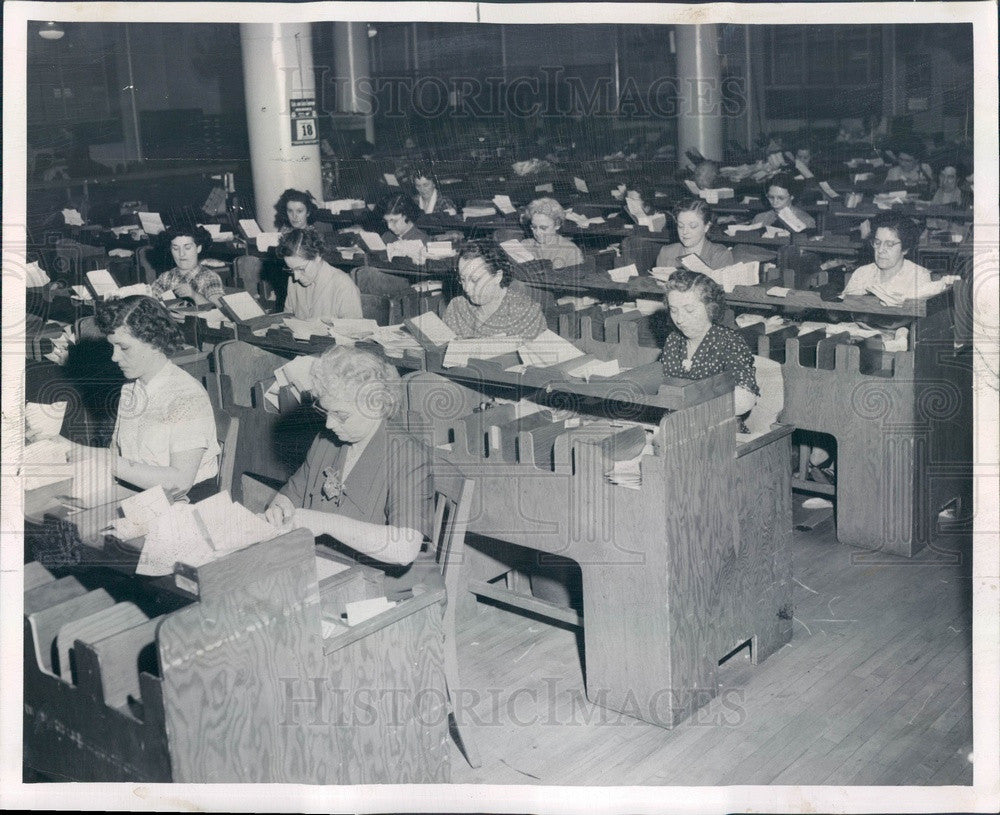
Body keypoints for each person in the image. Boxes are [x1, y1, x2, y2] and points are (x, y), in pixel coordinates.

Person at [264, 346, 434, 587]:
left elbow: (403, 549)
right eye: (326, 411)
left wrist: (325, 523)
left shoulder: (408, 455)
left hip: (387, 587)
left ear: (374, 405)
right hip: (330, 571)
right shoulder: (327, 441)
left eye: (341, 415)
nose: (330, 423)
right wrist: (279, 509)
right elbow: (291, 494)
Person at [69, 295, 220, 497]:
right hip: (139, 493)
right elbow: (118, 452)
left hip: (185, 502)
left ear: (155, 342)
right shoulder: (132, 387)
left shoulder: (186, 397)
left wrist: (106, 461)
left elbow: (180, 483)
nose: (114, 357)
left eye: (124, 347)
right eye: (112, 346)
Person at [660, 270, 759, 430]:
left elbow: (745, 398)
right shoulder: (673, 340)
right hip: (676, 427)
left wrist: (697, 403)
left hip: (718, 430)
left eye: (689, 310)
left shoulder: (728, 341)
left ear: (710, 307)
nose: (679, 319)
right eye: (673, 310)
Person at [443, 246, 547, 339]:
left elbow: (541, 359)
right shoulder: (456, 307)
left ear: (497, 277)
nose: (466, 288)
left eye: (475, 280)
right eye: (462, 279)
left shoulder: (527, 313)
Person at [842, 211, 934, 303]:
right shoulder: (862, 273)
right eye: (877, 243)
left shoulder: (918, 277)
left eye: (889, 244)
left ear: (905, 248)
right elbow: (845, 308)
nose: (881, 250)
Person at [277, 227, 363, 321]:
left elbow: (354, 332)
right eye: (291, 270)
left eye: (301, 269)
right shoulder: (293, 281)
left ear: (317, 256)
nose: (296, 277)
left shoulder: (343, 285)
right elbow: (287, 319)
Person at [150, 226, 225, 306]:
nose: (181, 254)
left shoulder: (209, 277)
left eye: (187, 247)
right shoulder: (165, 277)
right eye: (175, 248)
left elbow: (220, 310)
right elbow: (150, 301)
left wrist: (194, 295)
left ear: (198, 248)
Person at [655, 199, 735, 270]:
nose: (685, 232)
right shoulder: (666, 252)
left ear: (706, 227)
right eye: (681, 226)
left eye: (693, 226)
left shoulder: (720, 255)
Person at [520, 197, 584, 269]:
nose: (537, 232)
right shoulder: (525, 245)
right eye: (534, 227)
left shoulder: (571, 251)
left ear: (557, 225)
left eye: (543, 228)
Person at [751, 174, 816, 231]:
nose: (775, 202)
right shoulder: (759, 218)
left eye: (781, 198)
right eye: (771, 197)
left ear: (792, 196)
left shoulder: (806, 220)